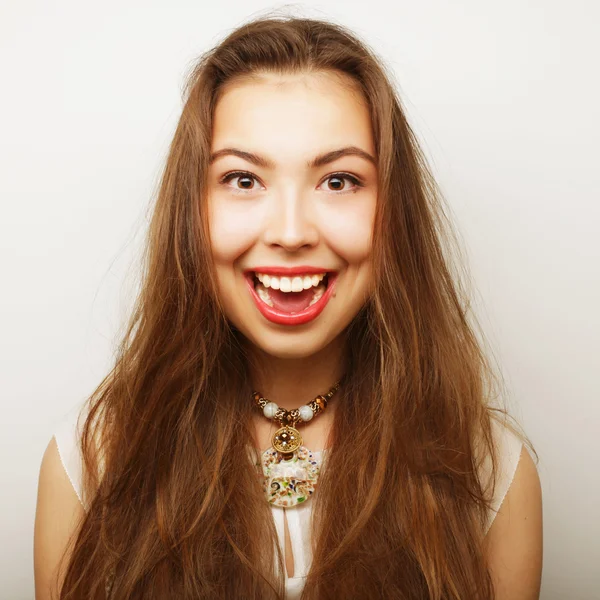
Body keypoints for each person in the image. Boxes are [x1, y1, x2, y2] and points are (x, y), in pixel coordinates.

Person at [34, 13, 543, 600]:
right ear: (190, 213)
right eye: (244, 179)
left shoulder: (491, 470)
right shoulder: (91, 462)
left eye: (339, 181)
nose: (292, 231)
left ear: (393, 215)